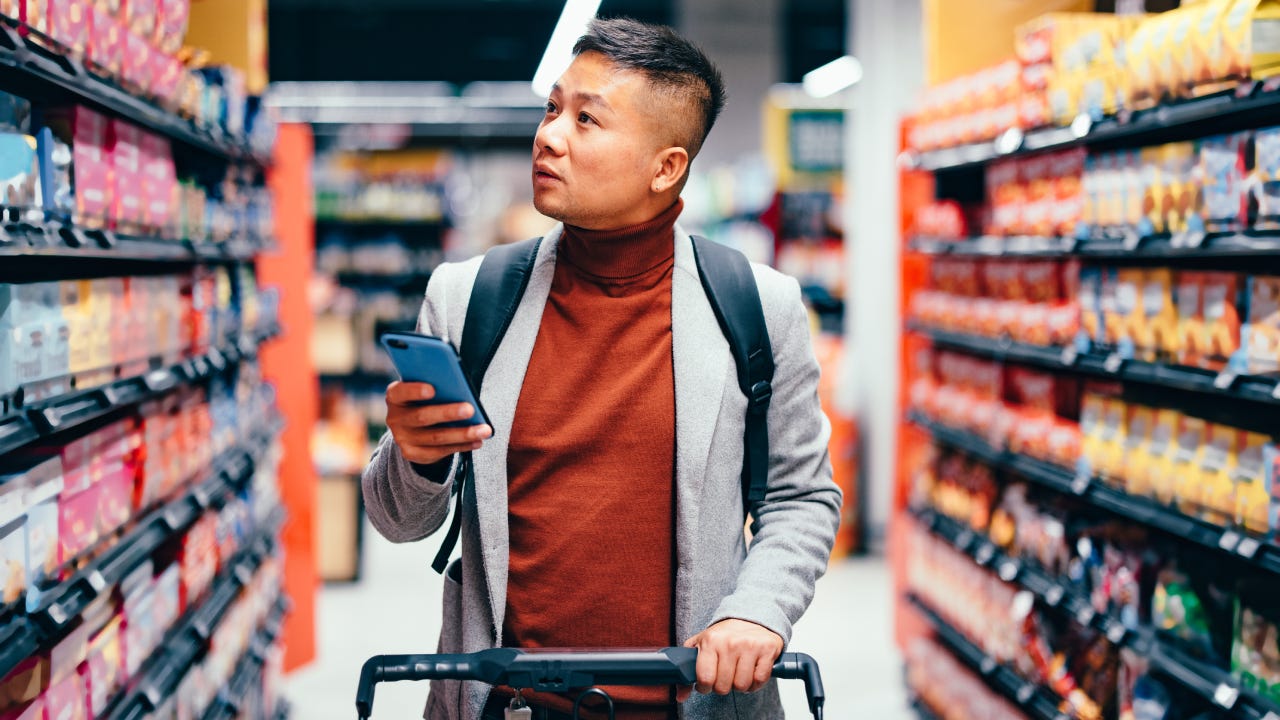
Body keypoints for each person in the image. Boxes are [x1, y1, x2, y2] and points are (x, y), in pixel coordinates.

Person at [362, 17, 842, 720]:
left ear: (665, 167)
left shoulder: (756, 308)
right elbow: (398, 520)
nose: (549, 135)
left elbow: (801, 496)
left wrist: (758, 612)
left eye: (587, 120)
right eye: (553, 109)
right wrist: (418, 457)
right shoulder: (469, 299)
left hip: (692, 703)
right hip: (506, 706)